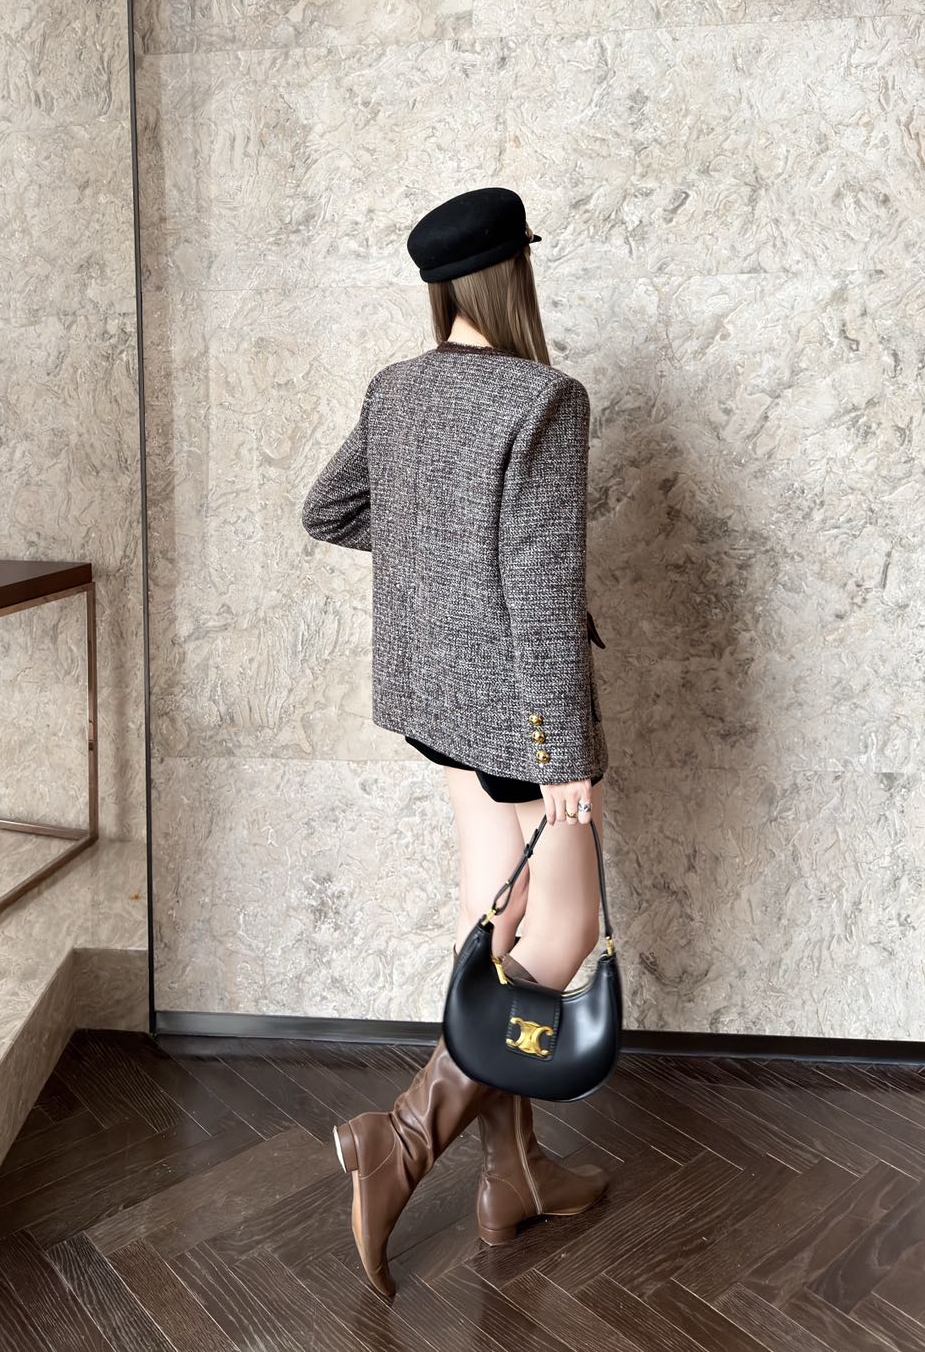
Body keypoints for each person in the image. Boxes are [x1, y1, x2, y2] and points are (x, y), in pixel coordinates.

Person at [300, 185, 611, 1298]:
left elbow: (329, 509)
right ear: (515, 272)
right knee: (561, 930)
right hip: (520, 713)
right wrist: (563, 755)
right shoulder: (543, 399)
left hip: (434, 703)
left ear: (442, 289)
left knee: (498, 935)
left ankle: (513, 1177)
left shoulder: (397, 389)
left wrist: (436, 557)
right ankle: (402, 1136)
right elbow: (539, 590)